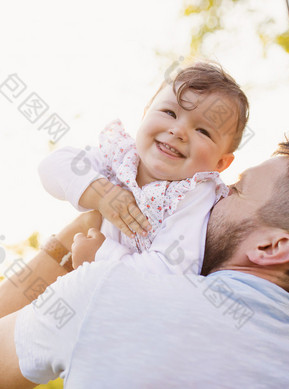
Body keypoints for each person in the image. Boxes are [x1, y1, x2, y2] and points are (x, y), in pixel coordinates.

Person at [0, 139, 289, 388]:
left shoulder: (113, 290)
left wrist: (61, 247)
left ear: (272, 248)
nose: (212, 192)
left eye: (234, 190)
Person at [39, 61, 249, 273]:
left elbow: (170, 270)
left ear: (221, 163)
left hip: (127, 298)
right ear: (145, 113)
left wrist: (101, 254)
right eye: (169, 113)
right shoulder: (122, 155)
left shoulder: (194, 195)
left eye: (203, 131)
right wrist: (100, 193)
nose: (178, 131)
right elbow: (52, 167)